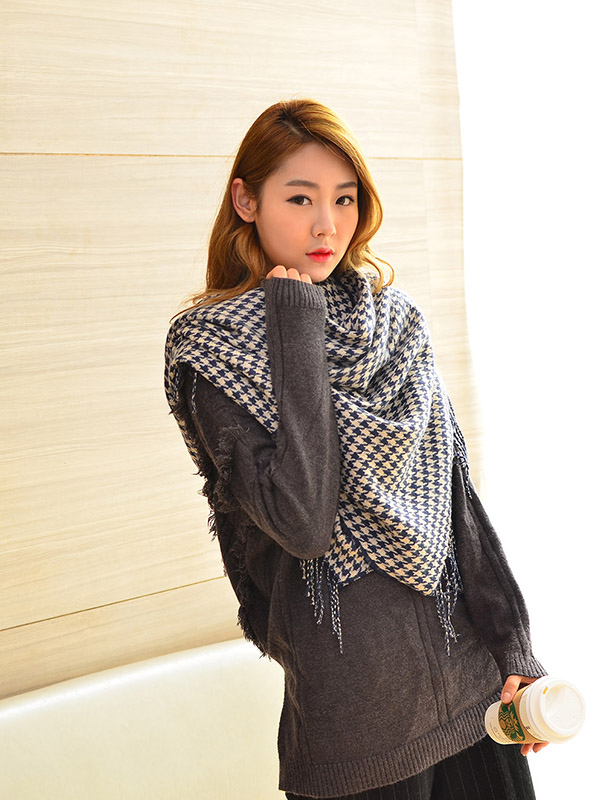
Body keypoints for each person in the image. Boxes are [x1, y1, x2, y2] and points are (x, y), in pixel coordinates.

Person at [164, 98, 548, 799]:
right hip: (359, 724)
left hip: (476, 696)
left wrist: (514, 645)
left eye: (344, 198)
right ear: (246, 201)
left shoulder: (397, 324)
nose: (327, 225)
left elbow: (455, 499)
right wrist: (295, 327)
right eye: (300, 198)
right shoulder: (213, 351)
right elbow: (303, 520)